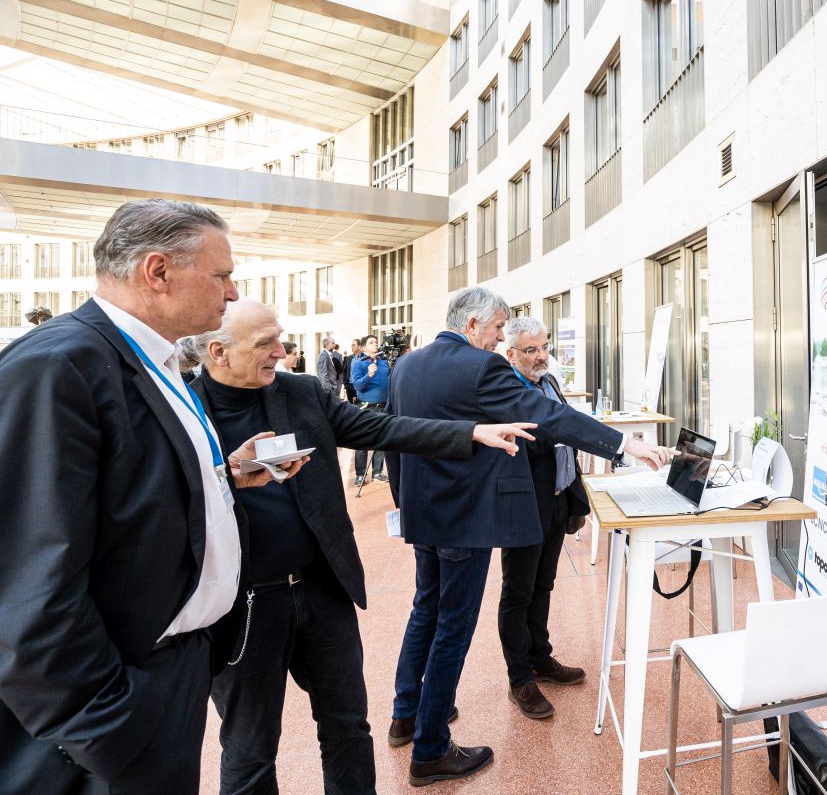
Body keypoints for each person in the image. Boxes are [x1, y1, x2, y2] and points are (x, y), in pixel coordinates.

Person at [0, 199, 305, 795]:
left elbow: (126, 493)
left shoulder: (154, 360)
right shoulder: (57, 366)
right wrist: (107, 728)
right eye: (222, 274)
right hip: (111, 712)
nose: (233, 291)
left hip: (171, 669)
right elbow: (25, 577)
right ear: (158, 272)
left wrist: (220, 475)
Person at [190, 299, 535, 795]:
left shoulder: (303, 392)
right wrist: (227, 474)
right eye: (265, 343)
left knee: (349, 726)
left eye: (280, 339)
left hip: (320, 589)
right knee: (249, 748)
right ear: (218, 352)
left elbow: (381, 427)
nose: (282, 352)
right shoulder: (183, 410)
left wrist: (472, 432)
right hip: (242, 606)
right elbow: (163, 500)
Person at [383, 287, 674, 787]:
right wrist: (625, 444)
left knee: (424, 611)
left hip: (423, 512)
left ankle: (405, 716)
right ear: (472, 324)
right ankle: (430, 750)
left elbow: (393, 436)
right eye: (497, 331)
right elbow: (551, 417)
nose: (500, 340)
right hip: (465, 518)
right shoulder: (481, 367)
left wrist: (404, 499)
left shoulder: (408, 366)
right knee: (453, 626)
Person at [498, 317, 592, 719]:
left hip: (556, 498)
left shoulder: (549, 382)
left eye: (544, 347)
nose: (541, 356)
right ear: (511, 354)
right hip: (523, 504)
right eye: (531, 350)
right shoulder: (505, 389)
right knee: (517, 592)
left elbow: (566, 428)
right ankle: (520, 678)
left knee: (543, 585)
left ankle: (540, 657)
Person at [350, 334, 389, 486]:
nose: (375, 344)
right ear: (364, 347)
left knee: (382, 440)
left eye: (376, 342)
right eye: (371, 342)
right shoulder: (359, 363)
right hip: (366, 407)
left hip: (383, 406)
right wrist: (369, 374)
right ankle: (360, 474)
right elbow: (357, 386)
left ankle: (378, 472)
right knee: (363, 442)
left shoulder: (384, 363)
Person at [343, 337, 361, 403]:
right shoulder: (349, 358)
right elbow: (345, 371)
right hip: (349, 385)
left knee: (360, 405)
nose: (352, 347)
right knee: (351, 406)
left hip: (359, 386)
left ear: (359, 346)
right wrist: (345, 384)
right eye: (351, 345)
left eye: (354, 345)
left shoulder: (364, 358)